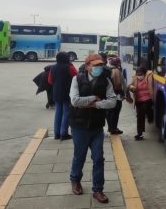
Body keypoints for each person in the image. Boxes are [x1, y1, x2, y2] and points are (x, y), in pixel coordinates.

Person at [69, 53, 116, 204]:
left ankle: (98, 189)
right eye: (95, 65)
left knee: (98, 158)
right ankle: (75, 180)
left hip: (97, 126)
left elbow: (112, 102)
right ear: (87, 66)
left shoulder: (106, 80)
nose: (98, 68)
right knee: (79, 156)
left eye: (100, 65)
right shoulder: (77, 79)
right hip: (79, 126)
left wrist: (95, 104)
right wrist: (94, 98)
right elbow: (75, 101)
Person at [48, 52, 78, 140]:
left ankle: (56, 134)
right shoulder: (69, 67)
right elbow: (77, 77)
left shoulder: (52, 68)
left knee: (58, 112)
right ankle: (63, 133)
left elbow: (50, 81)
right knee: (66, 112)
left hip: (56, 93)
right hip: (67, 93)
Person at [127, 66, 154, 140]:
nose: (139, 76)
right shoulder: (135, 78)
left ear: (144, 74)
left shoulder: (148, 78)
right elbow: (129, 85)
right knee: (139, 117)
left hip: (148, 99)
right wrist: (132, 87)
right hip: (138, 100)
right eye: (138, 74)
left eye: (141, 74)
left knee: (143, 111)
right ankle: (139, 134)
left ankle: (150, 116)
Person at [106, 56, 126, 134]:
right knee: (116, 111)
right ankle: (114, 128)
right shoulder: (117, 71)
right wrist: (125, 93)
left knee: (109, 111)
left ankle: (110, 127)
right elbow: (123, 84)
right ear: (117, 63)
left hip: (107, 94)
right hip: (117, 93)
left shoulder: (106, 69)